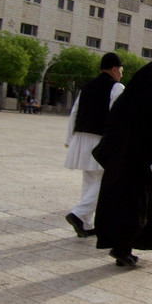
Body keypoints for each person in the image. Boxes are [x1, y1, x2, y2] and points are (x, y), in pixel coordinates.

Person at [93, 61, 152, 267]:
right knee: (139, 209)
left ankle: (121, 247)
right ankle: (122, 249)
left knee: (118, 206)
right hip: (139, 168)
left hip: (117, 164)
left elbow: (108, 129)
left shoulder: (124, 100)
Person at [64, 52, 124, 238]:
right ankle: (79, 214)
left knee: (89, 180)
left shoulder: (86, 87)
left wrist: (69, 140)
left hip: (82, 138)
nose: (122, 73)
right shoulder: (117, 87)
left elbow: (74, 113)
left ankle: (87, 224)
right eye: (121, 70)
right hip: (101, 140)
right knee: (105, 182)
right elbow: (118, 117)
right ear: (114, 69)